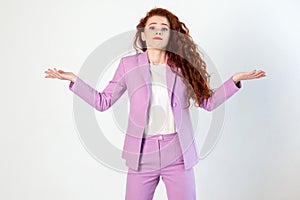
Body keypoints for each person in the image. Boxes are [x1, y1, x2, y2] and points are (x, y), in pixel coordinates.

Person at [44, 7, 266, 200]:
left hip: (178, 154)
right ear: (143, 34)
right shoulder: (128, 65)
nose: (158, 31)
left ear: (171, 35)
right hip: (141, 156)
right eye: (152, 27)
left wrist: (234, 81)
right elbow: (103, 101)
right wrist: (75, 81)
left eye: (164, 27)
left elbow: (207, 102)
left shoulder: (183, 67)